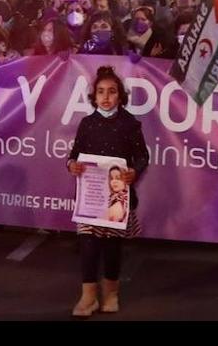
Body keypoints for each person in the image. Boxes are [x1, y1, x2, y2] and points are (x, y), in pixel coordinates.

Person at [67, 66, 149, 317]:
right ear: (93, 96)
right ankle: (88, 296)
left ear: (120, 96)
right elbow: (73, 156)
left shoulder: (130, 124)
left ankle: (111, 293)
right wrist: (72, 165)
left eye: (112, 92)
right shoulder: (87, 123)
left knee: (112, 248)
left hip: (117, 199)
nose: (106, 97)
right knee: (88, 247)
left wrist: (133, 171)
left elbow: (142, 156)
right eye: (100, 92)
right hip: (89, 200)